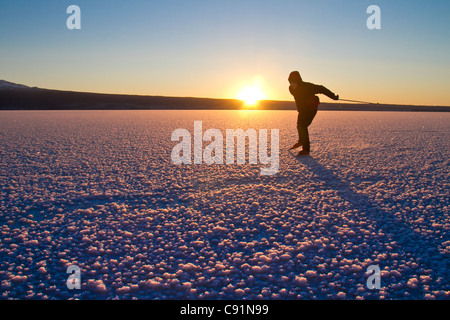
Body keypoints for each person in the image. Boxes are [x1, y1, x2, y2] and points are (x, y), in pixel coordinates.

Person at [288, 71, 339, 156]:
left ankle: (306, 149)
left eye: (294, 82)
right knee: (299, 125)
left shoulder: (307, 87)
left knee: (303, 126)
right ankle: (301, 141)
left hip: (311, 109)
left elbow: (321, 88)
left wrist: (333, 96)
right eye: (290, 82)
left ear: (298, 81)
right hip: (302, 110)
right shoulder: (291, 89)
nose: (292, 84)